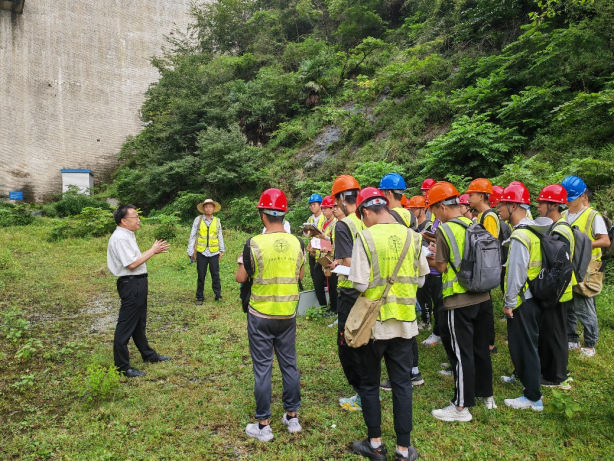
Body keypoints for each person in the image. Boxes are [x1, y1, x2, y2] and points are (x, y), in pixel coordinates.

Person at [348, 187, 423, 461]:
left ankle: (375, 444)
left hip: (374, 326)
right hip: (404, 324)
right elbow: (422, 279)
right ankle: (403, 449)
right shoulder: (413, 236)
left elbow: (359, 282)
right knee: (402, 384)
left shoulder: (365, 237)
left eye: (361, 216)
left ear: (366, 211)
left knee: (369, 383)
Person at [235, 188, 306, 442]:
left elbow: (241, 277)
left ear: (263, 215)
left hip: (260, 315)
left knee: (263, 368)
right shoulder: (298, 242)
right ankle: (292, 417)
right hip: (287, 315)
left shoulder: (253, 243)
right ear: (283, 214)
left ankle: (263, 425)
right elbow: (299, 276)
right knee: (289, 365)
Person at [426, 182, 495, 422]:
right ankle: (488, 397)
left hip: (459, 300)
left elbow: (442, 266)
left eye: (434, 210)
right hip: (482, 295)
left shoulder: (445, 230)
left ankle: (460, 407)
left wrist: (427, 259)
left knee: (461, 352)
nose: (434, 215)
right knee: (480, 350)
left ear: (442, 206)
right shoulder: (472, 223)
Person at [107, 204, 171, 378]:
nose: (138, 220)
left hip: (138, 282)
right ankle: (122, 366)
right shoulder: (120, 238)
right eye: (135, 217)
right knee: (126, 325)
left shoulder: (128, 235)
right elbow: (132, 264)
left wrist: (152, 252)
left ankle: (148, 355)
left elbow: (134, 259)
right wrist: (152, 250)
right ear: (123, 220)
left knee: (138, 323)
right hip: (131, 283)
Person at [498, 183, 546, 411]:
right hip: (534, 297)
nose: (499, 209)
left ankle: (533, 397)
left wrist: (508, 304)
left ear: (513, 205)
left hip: (522, 301)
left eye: (502, 204)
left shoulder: (520, 236)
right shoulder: (535, 230)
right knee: (530, 344)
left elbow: (515, 274)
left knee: (525, 347)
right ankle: (523, 380)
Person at [561, 176, 611, 358]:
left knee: (585, 306)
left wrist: (582, 244)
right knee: (568, 305)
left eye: (571, 198)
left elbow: (605, 241)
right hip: (568, 266)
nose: (567, 202)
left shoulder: (592, 215)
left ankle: (590, 344)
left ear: (583, 196)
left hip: (588, 268)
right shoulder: (564, 215)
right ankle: (571, 338)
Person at [330, 174, 365, 411]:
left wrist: (335, 266)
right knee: (365, 342)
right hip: (370, 292)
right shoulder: (367, 220)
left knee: (348, 343)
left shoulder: (345, 224)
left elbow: (350, 264)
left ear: (343, 198)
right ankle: (369, 390)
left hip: (350, 291)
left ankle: (361, 394)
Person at [535, 185, 574, 389]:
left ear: (552, 205)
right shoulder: (557, 226)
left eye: (542, 203)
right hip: (559, 290)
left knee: (555, 333)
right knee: (553, 331)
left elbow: (559, 266)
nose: (538, 206)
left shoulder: (560, 230)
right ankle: (553, 371)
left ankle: (556, 376)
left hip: (558, 291)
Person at [466, 178, 499, 355]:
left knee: (486, 306)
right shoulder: (480, 216)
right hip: (480, 267)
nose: (468, 198)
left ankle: (489, 343)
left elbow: (489, 245)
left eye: (471, 194)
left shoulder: (489, 216)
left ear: (481, 195)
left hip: (485, 267)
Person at [187, 199, 225, 305]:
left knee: (215, 274)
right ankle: (200, 297)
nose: (208, 209)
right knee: (201, 275)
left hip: (214, 252)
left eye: (210, 207)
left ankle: (218, 295)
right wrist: (190, 251)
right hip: (201, 252)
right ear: (203, 209)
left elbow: (220, 236)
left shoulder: (217, 221)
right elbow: (193, 235)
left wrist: (221, 250)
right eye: (206, 207)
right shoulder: (198, 220)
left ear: (213, 208)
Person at [315, 195, 338, 314]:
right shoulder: (323, 221)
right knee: (317, 277)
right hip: (322, 256)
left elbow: (335, 240)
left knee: (332, 282)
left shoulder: (335, 223)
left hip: (331, 257)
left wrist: (325, 238)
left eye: (324, 208)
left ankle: (334, 307)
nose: (322, 211)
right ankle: (323, 305)